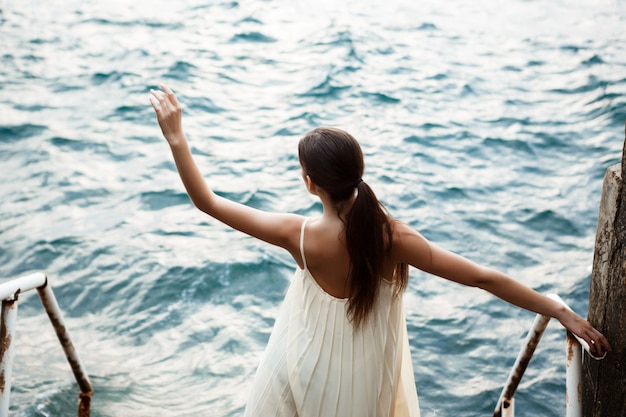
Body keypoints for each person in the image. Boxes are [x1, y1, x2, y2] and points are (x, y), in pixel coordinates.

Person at [149, 84, 611, 417]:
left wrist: (176, 137)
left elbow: (206, 202)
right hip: (363, 382)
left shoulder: (300, 237)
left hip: (299, 364)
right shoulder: (394, 239)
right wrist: (556, 310)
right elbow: (483, 278)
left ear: (310, 184)